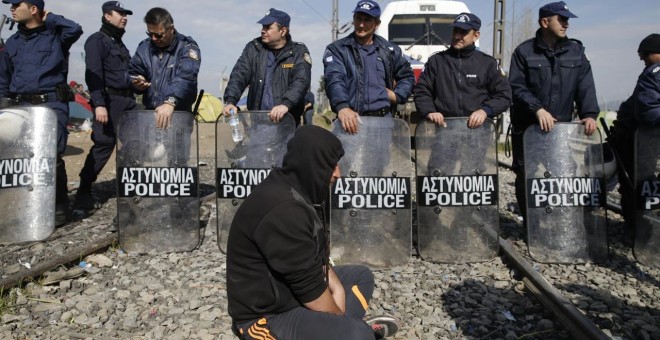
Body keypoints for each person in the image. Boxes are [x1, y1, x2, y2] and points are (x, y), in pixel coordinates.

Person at [226, 125, 400, 340]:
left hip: (292, 297)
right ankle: (356, 330)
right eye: (331, 165)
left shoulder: (299, 190)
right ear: (312, 165)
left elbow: (316, 261)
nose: (339, 173)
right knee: (356, 335)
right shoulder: (283, 209)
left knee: (360, 277)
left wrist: (336, 289)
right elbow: (309, 288)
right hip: (266, 317)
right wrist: (340, 321)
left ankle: (345, 330)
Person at [508, 1, 599, 221]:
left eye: (567, 20)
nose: (566, 24)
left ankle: (560, 220)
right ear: (545, 22)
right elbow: (516, 86)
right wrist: (537, 109)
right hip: (528, 126)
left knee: (563, 172)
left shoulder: (576, 51)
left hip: (560, 129)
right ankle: (531, 223)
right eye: (562, 19)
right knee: (526, 174)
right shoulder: (524, 52)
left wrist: (589, 114)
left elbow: (584, 85)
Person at [0, 0, 83, 225]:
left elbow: (75, 29)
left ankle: (58, 207)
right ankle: (25, 204)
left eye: (17, 4)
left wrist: (51, 18)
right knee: (19, 158)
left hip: (51, 105)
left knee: (50, 156)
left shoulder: (56, 36)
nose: (12, 9)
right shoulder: (13, 43)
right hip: (20, 107)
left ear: (34, 9)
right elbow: (4, 78)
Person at [75, 1, 136, 210]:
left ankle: (130, 187)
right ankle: (84, 189)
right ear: (107, 16)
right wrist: (99, 104)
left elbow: (125, 75)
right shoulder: (96, 41)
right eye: (120, 14)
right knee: (103, 144)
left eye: (126, 14)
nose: (125, 17)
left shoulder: (119, 44)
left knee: (133, 145)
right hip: (109, 102)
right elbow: (93, 75)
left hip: (127, 101)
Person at [323, 0, 414, 134]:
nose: (361, 24)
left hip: (382, 124)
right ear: (353, 20)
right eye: (358, 19)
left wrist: (397, 95)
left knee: (381, 156)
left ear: (377, 24)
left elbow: (407, 76)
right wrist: (342, 107)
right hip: (350, 121)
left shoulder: (390, 50)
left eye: (367, 20)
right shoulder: (338, 49)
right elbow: (334, 79)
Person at [414, 12, 511, 129]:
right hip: (443, 132)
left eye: (463, 32)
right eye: (455, 31)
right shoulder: (436, 61)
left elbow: (504, 96)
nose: (457, 36)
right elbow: (422, 90)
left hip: (478, 134)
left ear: (476, 35)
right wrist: (430, 111)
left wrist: (485, 111)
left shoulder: (488, 64)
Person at [223, 8, 311, 126]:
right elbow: (239, 74)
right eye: (263, 27)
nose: (263, 31)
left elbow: (301, 81)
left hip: (288, 123)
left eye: (268, 27)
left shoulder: (298, 52)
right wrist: (230, 101)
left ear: (283, 31)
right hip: (258, 124)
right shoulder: (253, 48)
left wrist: (285, 104)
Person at [612, 33, 660, 232]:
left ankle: (640, 230)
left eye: (645, 55)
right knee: (637, 185)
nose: (642, 59)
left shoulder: (653, 73)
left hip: (640, 141)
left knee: (639, 185)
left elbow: (648, 110)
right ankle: (639, 228)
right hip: (636, 137)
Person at [128, 7, 200, 128]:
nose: (154, 39)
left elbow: (186, 77)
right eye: (150, 34)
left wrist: (171, 102)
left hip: (178, 117)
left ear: (171, 28)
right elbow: (133, 71)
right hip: (151, 117)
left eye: (158, 35)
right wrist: (136, 81)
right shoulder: (144, 48)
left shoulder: (187, 47)